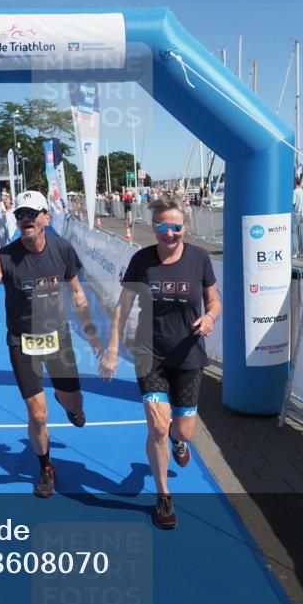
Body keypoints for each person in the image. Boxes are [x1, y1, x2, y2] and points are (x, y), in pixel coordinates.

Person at [99, 197, 220, 529]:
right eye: (163, 227)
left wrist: (210, 317)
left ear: (185, 227)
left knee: (183, 430)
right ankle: (163, 495)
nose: (170, 233)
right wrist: (111, 347)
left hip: (189, 355)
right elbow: (122, 308)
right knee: (157, 426)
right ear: (153, 227)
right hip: (149, 353)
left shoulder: (199, 259)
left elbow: (214, 300)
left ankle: (180, 443)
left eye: (176, 227)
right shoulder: (142, 261)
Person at [0, 191, 103, 497]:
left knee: (73, 401)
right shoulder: (4, 258)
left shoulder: (62, 249)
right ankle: (46, 466)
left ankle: (69, 403)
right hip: (22, 341)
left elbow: (77, 293)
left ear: (46, 216)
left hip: (58, 337)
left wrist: (91, 330)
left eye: (32, 214)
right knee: (38, 413)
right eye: (20, 215)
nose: (26, 220)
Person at [292, 177, 303, 260]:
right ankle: (302, 252)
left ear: (295, 183)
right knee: (301, 233)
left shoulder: (294, 192)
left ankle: (294, 252)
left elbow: (293, 203)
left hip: (296, 214)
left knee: (293, 233)